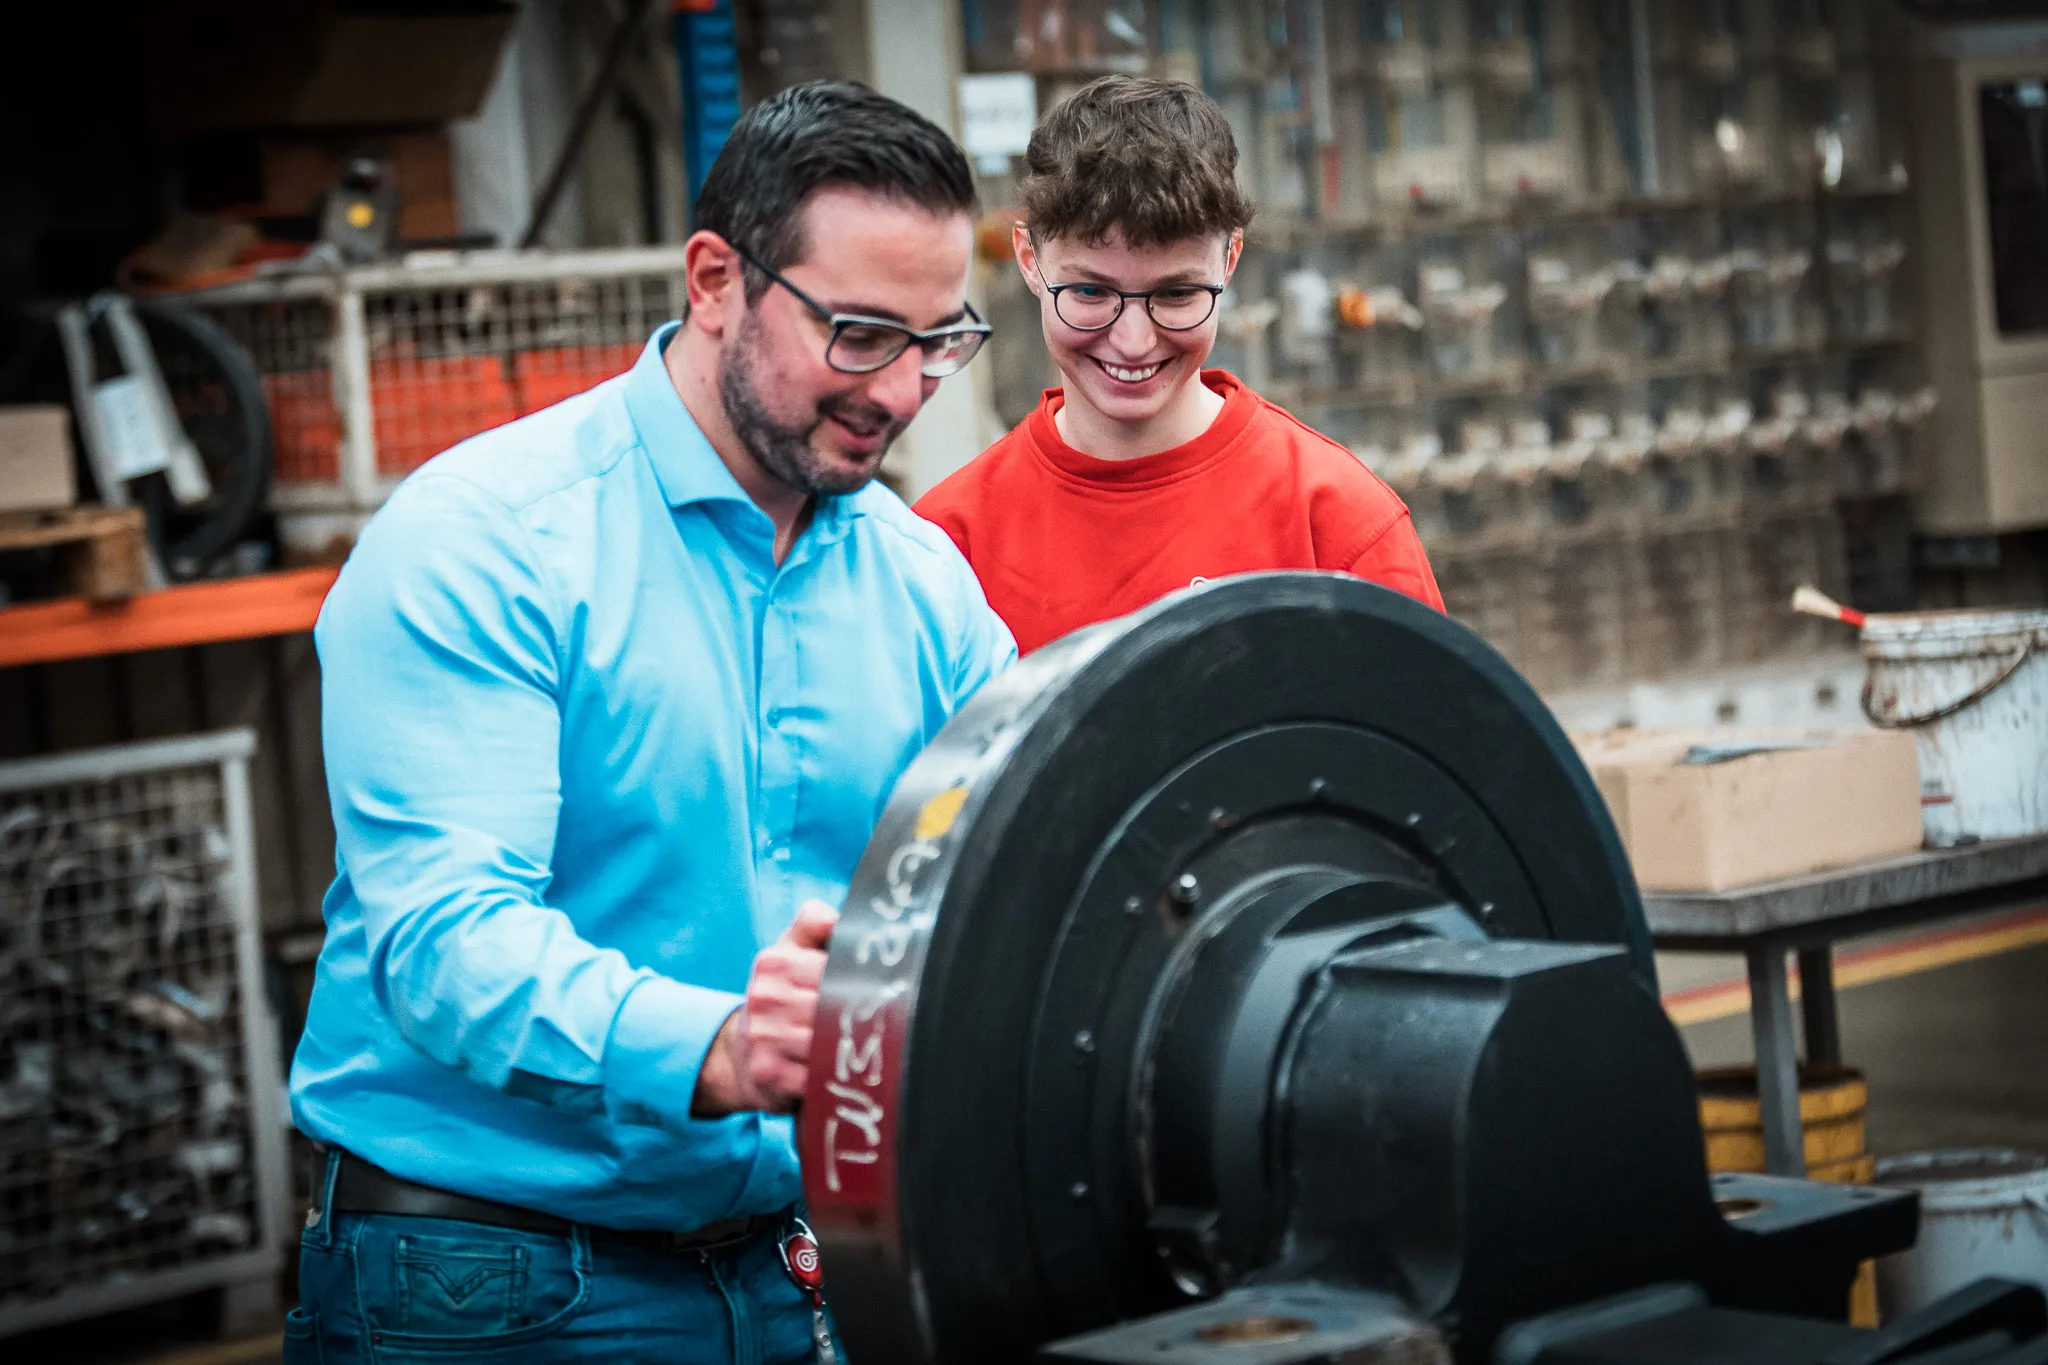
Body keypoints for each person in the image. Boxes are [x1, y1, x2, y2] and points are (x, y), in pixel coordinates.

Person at [286, 81, 1014, 1365]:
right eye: (856, 333)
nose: (901, 393)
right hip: (486, 1276)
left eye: (937, 341)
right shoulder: (487, 547)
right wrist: (726, 1046)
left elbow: (999, 875)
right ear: (715, 278)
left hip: (804, 1264)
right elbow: (444, 944)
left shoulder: (921, 586)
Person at [915, 75, 1442, 654]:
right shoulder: (948, 545)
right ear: (1029, 259)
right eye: (1090, 293)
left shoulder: (1337, 523)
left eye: (1176, 295)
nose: (1134, 341)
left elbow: (1425, 739)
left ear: (1230, 259)